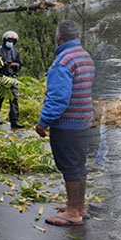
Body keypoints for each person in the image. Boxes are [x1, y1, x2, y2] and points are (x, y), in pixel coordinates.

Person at [35, 20, 95, 227]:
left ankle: (72, 213)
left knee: (69, 167)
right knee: (79, 165)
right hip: (84, 121)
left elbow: (58, 99)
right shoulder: (84, 56)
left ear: (58, 37)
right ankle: (79, 207)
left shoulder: (63, 61)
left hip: (68, 125)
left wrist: (42, 122)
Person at [0, 30, 22, 129]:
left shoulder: (16, 52)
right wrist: (2, 64)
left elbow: (19, 64)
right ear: (5, 40)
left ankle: (14, 120)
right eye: (9, 40)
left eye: (13, 40)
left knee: (14, 99)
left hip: (12, 77)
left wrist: (14, 65)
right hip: (0, 77)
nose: (10, 42)